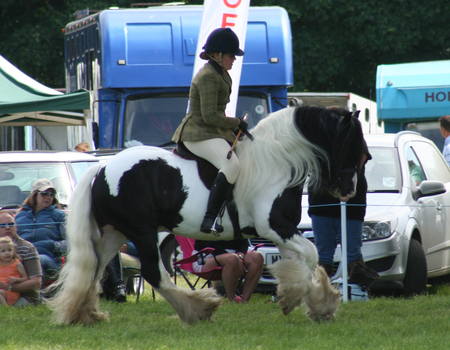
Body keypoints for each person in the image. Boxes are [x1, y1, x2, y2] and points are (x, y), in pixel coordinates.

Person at [172, 27, 248, 234]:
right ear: (217, 55)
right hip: (198, 132)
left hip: (211, 131)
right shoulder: (208, 76)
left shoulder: (221, 73)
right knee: (231, 165)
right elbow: (209, 117)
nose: (234, 59)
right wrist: (236, 123)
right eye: (231, 55)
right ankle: (210, 219)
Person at [308, 118, 380, 287]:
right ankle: (322, 293)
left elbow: (359, 163)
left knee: (352, 252)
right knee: (323, 254)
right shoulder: (317, 139)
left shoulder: (352, 136)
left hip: (351, 202)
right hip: (321, 203)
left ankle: (356, 292)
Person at [15, 179, 67, 283]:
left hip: (48, 259)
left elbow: (71, 243)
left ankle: (37, 296)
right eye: (44, 194)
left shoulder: (60, 216)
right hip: (20, 258)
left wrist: (52, 245)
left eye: (51, 194)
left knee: (39, 259)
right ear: (34, 195)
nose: (48, 197)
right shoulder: (19, 216)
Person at [192, 239, 263, 303]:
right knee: (232, 259)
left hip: (234, 256)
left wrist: (240, 258)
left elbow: (243, 241)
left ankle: (244, 301)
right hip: (206, 257)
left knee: (257, 257)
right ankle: (231, 301)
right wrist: (236, 260)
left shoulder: (237, 224)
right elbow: (208, 242)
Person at [0, 210, 42, 306]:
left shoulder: (27, 247)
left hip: (25, 296)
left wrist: (8, 287)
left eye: (11, 224)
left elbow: (36, 283)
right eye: (2, 225)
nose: (7, 227)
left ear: (16, 227)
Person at [0, 236, 29, 306]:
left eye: (9, 250)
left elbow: (25, 278)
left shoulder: (16, 264)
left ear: (13, 251)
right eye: (3, 251)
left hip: (11, 291)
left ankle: (6, 308)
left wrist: (16, 279)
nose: (7, 253)